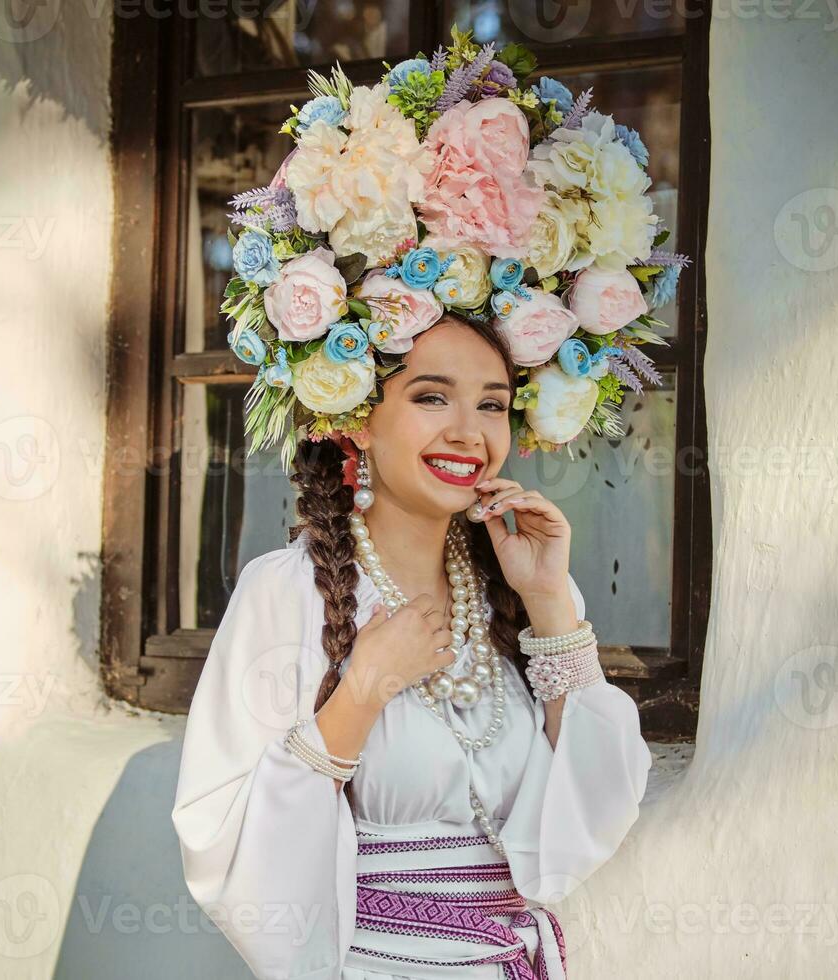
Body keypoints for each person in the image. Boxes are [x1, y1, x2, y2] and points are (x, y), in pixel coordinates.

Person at [172, 311, 653, 979]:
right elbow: (223, 841)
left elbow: (595, 808)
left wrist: (549, 605)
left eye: (492, 405)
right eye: (432, 396)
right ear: (358, 417)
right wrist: (362, 691)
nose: (467, 431)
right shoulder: (285, 592)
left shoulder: (520, 589)